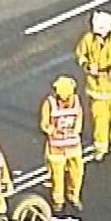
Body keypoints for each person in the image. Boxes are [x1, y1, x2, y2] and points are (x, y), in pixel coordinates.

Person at [75, 10, 111, 161]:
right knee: (100, 119)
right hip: (96, 89)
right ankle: (100, 147)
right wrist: (87, 66)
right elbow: (80, 55)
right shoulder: (87, 39)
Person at [40, 75, 85, 213]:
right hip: (56, 146)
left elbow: (79, 119)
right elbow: (44, 124)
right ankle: (58, 200)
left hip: (73, 145)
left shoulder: (76, 101)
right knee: (57, 175)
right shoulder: (49, 103)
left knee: (76, 172)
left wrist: (75, 130)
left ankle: (74, 196)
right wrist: (53, 130)